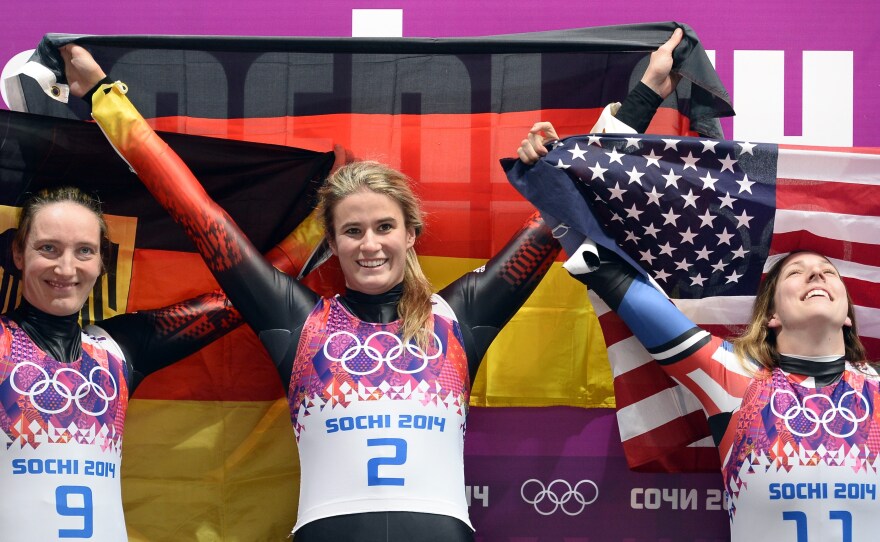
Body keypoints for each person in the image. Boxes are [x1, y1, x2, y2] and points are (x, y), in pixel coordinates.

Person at [63, 28, 681, 540]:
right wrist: (103, 98)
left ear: (411, 234)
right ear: (330, 243)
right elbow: (200, 216)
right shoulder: (297, 320)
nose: (370, 245)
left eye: (384, 227)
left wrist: (641, 101)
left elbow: (555, 218)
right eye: (352, 231)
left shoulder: (457, 316)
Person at [517, 130, 880, 540]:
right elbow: (613, 277)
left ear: (849, 316)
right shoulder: (736, 379)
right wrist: (550, 178)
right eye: (796, 273)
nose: (817, 273)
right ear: (773, 315)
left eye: (829, 273)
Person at [0, 183, 324, 541]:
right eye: (48, 248)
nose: (66, 267)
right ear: (18, 253)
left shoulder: (116, 349)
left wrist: (321, 223)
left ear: (102, 261)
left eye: (84, 251)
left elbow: (241, 298)